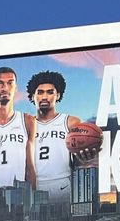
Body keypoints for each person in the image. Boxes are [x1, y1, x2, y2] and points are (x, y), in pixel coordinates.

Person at [25, 70, 84, 198]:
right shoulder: (24, 125)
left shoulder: (71, 122)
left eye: (50, 92)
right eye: (40, 92)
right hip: (32, 187)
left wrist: (85, 156)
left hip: (63, 185)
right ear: (32, 96)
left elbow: (80, 161)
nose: (45, 97)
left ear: (58, 95)